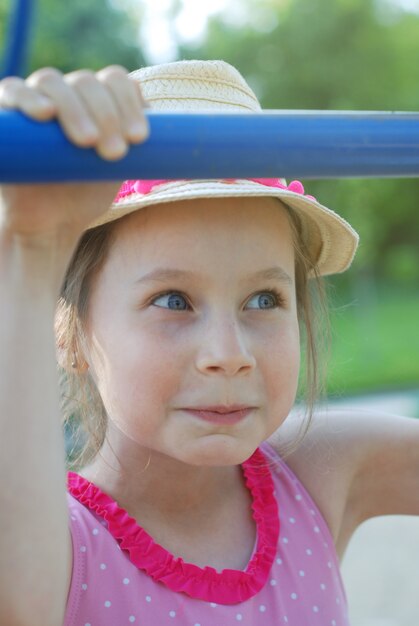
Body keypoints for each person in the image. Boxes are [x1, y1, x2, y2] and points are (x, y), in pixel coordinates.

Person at [0, 59, 418, 626]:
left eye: (264, 299)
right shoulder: (57, 546)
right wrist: (29, 248)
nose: (229, 353)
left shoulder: (317, 471)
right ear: (68, 333)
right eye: (174, 300)